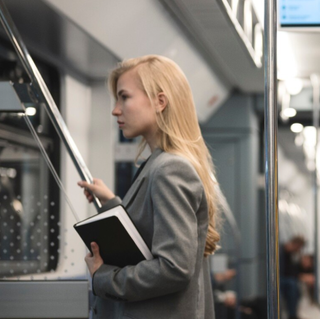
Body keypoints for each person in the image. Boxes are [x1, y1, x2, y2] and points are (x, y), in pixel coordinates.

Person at [78, 55, 223, 319]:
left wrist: (104, 277)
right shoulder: (160, 164)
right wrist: (111, 203)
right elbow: (148, 234)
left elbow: (173, 268)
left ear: (160, 101)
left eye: (124, 97)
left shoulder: (169, 169)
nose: (115, 110)